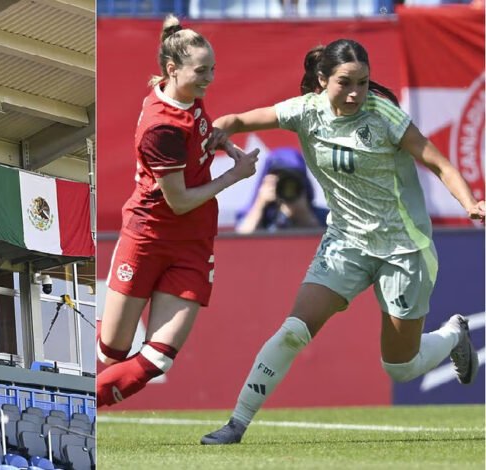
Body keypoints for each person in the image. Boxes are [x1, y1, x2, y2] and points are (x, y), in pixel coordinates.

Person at [200, 38, 484, 445]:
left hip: (404, 248)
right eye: (344, 83)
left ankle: (454, 334)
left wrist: (471, 202)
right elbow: (238, 120)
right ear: (321, 80)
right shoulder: (304, 112)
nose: (355, 93)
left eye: (363, 83)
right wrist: (220, 129)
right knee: (294, 330)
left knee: (399, 368)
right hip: (345, 243)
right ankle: (236, 425)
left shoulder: (383, 115)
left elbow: (437, 162)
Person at [96, 15, 259, 408]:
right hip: (147, 236)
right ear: (172, 70)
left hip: (192, 243)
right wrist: (235, 175)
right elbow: (180, 200)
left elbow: (197, 137)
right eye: (203, 71)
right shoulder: (161, 127)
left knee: (158, 358)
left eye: (212, 69)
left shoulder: (186, 96)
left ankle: (84, 408)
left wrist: (216, 139)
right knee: (111, 353)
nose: (210, 79)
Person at [235, 147, 328, 233]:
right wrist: (260, 204)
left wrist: (304, 215)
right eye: (280, 178)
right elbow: (242, 242)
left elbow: (326, 243)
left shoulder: (324, 216)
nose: (287, 186)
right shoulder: (262, 215)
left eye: (292, 180)